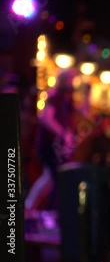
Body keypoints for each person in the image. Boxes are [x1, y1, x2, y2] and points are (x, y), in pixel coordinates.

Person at [25, 70, 77, 211]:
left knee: (49, 178)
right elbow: (45, 117)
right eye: (71, 79)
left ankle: (29, 207)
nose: (73, 83)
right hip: (47, 144)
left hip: (56, 145)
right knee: (54, 177)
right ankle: (48, 211)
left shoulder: (67, 99)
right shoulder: (54, 96)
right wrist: (63, 133)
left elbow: (79, 114)